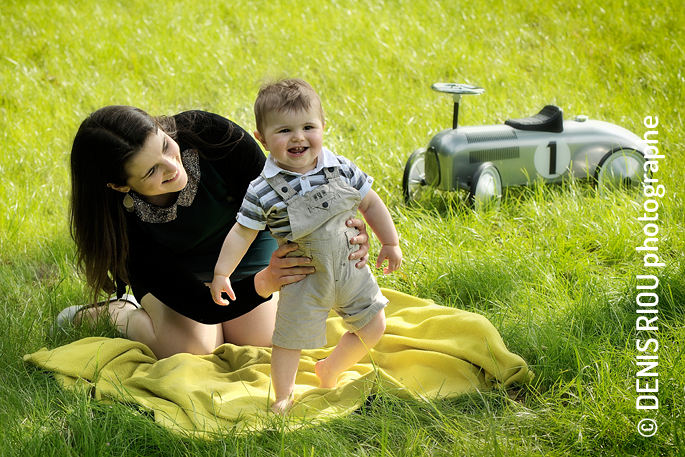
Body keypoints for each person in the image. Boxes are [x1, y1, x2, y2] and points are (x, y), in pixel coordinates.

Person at [62, 105, 371, 360]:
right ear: (119, 186)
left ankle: (237, 316)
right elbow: (202, 307)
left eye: (166, 147)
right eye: (151, 171)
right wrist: (267, 281)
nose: (172, 166)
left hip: (241, 243)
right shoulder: (121, 224)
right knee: (193, 349)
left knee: (260, 341)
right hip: (176, 271)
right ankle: (119, 313)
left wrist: (338, 231)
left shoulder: (211, 134)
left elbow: (284, 197)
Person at [210, 79, 402, 414]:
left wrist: (389, 241)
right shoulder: (263, 190)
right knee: (288, 341)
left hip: (350, 268)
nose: (298, 137)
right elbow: (242, 233)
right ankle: (283, 394)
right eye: (284, 130)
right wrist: (222, 272)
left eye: (308, 127)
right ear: (263, 139)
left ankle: (331, 368)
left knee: (375, 324)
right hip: (304, 277)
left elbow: (370, 204)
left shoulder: (341, 167)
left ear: (323, 127)